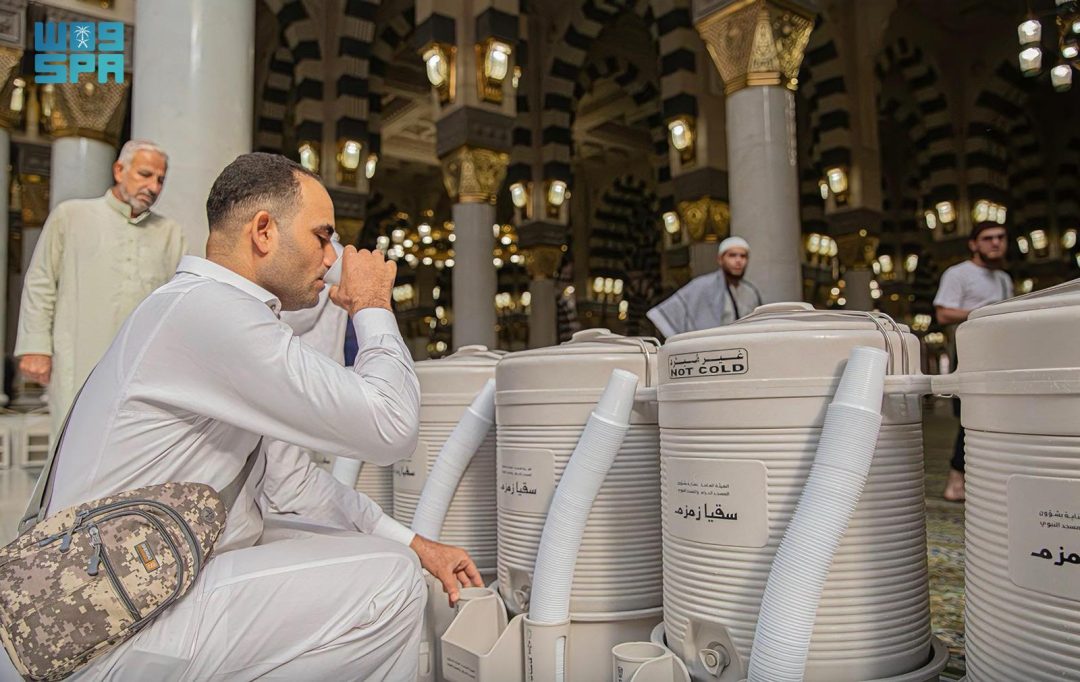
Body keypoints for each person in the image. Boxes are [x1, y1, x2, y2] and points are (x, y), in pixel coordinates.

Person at [11, 153, 481, 680]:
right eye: (321, 237)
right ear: (263, 231)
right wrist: (373, 304)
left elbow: (293, 481)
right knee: (392, 581)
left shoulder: (208, 308)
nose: (331, 258)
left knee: (383, 554)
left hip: (142, 584)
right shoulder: (213, 313)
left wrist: (418, 544)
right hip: (105, 619)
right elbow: (391, 427)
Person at [14, 140, 187, 437]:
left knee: (130, 446)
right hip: (78, 358)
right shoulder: (71, 216)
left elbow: (177, 300)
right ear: (119, 170)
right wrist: (36, 347)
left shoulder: (170, 233)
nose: (153, 187)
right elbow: (42, 282)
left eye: (160, 180)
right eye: (145, 175)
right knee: (73, 441)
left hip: (140, 366)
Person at [933, 223, 1013, 502]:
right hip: (971, 354)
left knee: (1000, 416)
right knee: (971, 417)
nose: (996, 243)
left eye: (1000, 237)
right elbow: (943, 314)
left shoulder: (1003, 278)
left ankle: (988, 481)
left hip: (1000, 354)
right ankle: (956, 480)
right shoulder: (958, 274)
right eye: (988, 238)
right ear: (973, 244)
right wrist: (986, 312)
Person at [646, 236, 763, 337]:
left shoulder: (751, 292)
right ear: (720, 259)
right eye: (732, 255)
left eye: (743, 256)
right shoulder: (702, 286)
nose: (738, 261)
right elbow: (667, 313)